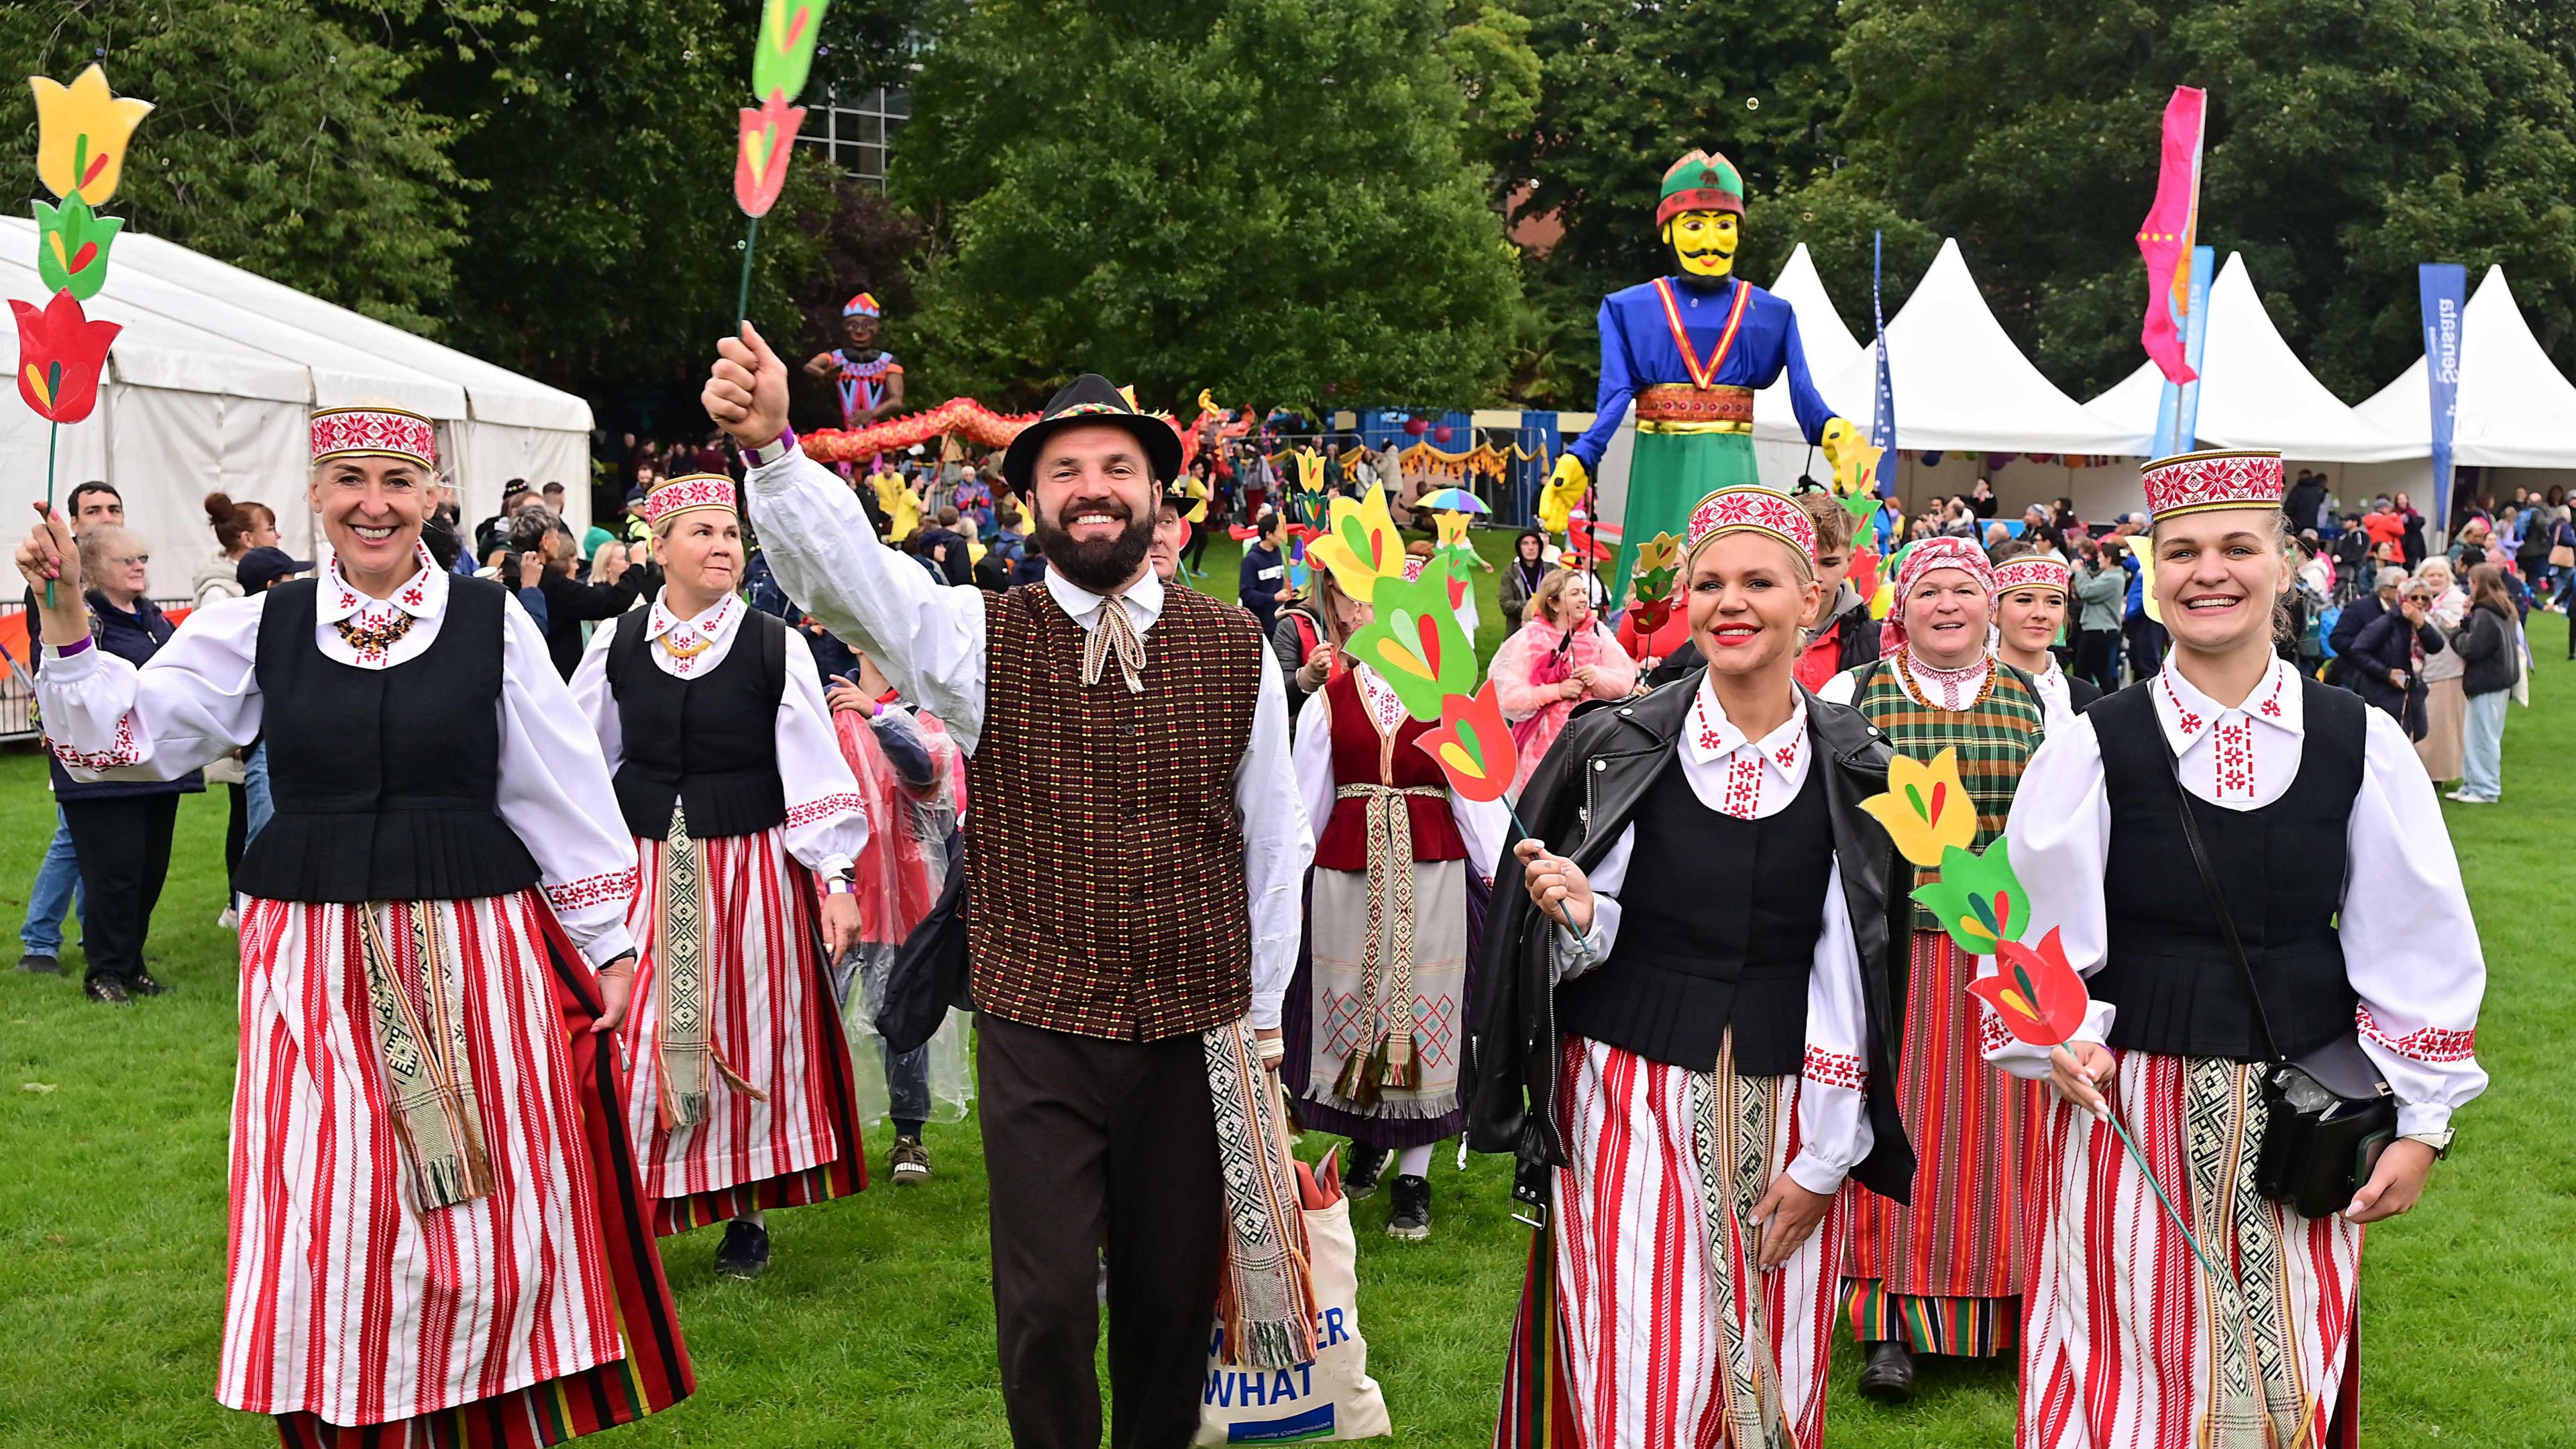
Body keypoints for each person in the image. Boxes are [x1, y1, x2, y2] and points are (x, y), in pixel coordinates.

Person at [18, 402, 694, 1440]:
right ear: (317, 495)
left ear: (431, 497)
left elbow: (556, 788)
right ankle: (351, 1401)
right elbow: (127, 737)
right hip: (314, 952)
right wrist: (65, 617)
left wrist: (608, 944)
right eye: (349, 481)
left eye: (396, 482)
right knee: (335, 1195)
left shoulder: (490, 621)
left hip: (477, 949)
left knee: (478, 1192)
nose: (373, 505)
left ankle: (481, 1404)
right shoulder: (262, 622)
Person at [702, 331, 1314, 1449]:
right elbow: (856, 581)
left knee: (1171, 1311)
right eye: (1066, 471)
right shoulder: (980, 635)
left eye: (1117, 470)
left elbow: (1275, 846)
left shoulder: (1239, 650)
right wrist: (776, 453)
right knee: (1040, 1312)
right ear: (1030, 497)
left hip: (1195, 1030)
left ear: (1157, 497)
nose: (1093, 491)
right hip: (1041, 1025)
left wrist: (1265, 1029)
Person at [1999, 448, 2484, 1449]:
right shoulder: (2095, 745)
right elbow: (2035, 942)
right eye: (2180, 551)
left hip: (2301, 1118)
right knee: (2116, 1379)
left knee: (2276, 1378)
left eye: (2235, 547)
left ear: (2283, 563)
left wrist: (2423, 1123)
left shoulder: (2358, 740)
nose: (2206, 571)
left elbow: (2415, 941)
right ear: (2150, 571)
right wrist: (2061, 1035)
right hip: (2130, 1113)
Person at [1473, 480, 1913, 1449]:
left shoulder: (1860, 765)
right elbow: (1556, 944)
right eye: (1711, 583)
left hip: (1792, 1104)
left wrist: (1826, 1159)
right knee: (1639, 1375)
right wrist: (1586, 915)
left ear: (1813, 600)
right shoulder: (1615, 742)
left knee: (1774, 1374)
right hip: (1627, 1109)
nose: (1732, 603)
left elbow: (1851, 973)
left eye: (1760, 581)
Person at [569, 472, 873, 1277]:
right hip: (642, 867)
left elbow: (812, 770)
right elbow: (578, 765)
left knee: (742, 1031)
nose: (721, 546)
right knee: (639, 1035)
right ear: (659, 549)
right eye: (701, 532)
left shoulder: (776, 645)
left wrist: (837, 880)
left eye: (731, 534)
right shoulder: (617, 646)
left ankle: (743, 1215)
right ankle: (631, 1208)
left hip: (749, 870)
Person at [1819, 534, 2045, 1399]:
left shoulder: (2036, 702)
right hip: (1892, 952)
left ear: (1991, 605)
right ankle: (1888, 1325)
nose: (1946, 606)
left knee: (2006, 1137)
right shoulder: (1857, 694)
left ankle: (2009, 1313)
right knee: (1897, 1122)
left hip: (2000, 953)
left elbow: (2061, 833)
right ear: (1899, 607)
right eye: (1928, 593)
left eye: (1963, 591)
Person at [1283, 558, 1506, 1240]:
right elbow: (1305, 800)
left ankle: (1415, 1176)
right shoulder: (1330, 700)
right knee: (1351, 1009)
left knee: (1425, 1015)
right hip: (1349, 874)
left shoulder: (1450, 698)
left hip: (1431, 871)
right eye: (1375, 603)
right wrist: (1286, 881)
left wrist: (1507, 876)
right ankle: (1364, 1139)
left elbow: (1477, 794)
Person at [1542, 149, 1858, 601]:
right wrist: (1580, 457)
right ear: (1668, 229)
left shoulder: (1771, 314)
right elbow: (1613, 398)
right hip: (1660, 465)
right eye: (1694, 224)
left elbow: (1805, 397)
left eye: (1723, 224)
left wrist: (1833, 430)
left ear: (1739, 232)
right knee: (1651, 589)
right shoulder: (1629, 309)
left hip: (1730, 464)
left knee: (1732, 577)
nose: (1710, 240)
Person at [37, 525, 203, 1004]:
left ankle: (131, 965)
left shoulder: (154, 620)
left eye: (143, 557)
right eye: (126, 559)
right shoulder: (84, 621)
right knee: (115, 875)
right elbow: (71, 686)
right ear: (90, 569)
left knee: (149, 873)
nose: (139, 566)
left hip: (157, 770)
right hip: (105, 776)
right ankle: (103, 973)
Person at [825, 647, 965, 1183]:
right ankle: (818, 1132)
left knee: (901, 1021)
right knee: (821, 1016)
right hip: (833, 894)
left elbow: (926, 772)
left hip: (907, 899)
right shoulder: (825, 717)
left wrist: (878, 715)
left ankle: (910, 1137)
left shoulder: (923, 717)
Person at [14, 482, 124, 975]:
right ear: (73, 523)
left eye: (114, 508)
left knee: (99, 836)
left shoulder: (118, 570)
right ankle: (39, 942)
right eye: (93, 509)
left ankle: (93, 933)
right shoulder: (56, 573)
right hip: (69, 720)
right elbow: (51, 658)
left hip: (114, 718)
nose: (106, 516)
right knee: (72, 834)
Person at [193, 492, 284, 918]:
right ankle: (241, 906)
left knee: (251, 812)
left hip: (256, 724)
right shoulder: (220, 593)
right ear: (248, 538)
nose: (278, 534)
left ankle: (241, 904)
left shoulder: (246, 582)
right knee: (248, 816)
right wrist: (229, 725)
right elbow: (221, 663)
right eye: (270, 528)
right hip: (239, 726)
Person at [1490, 568, 1639, 791]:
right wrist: (1557, 691)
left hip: (1593, 744)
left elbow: (1625, 683)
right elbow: (1508, 698)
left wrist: (1597, 676)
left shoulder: (1598, 632)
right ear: (1554, 603)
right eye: (1575, 593)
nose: (1583, 599)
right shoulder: (1531, 638)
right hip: (1542, 752)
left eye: (1584, 592)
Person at [525, 503, 654, 677]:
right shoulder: (554, 585)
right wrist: (638, 565)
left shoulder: (512, 575)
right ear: (546, 542)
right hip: (556, 676)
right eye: (556, 536)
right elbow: (612, 602)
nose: (559, 541)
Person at [1992, 551, 2098, 723]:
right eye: (2025, 600)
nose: (2041, 614)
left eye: (2054, 602)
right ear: (1995, 611)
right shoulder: (1973, 694)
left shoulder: (2087, 698)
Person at [2447, 564, 2520, 804]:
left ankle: (2486, 788)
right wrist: (2468, 620)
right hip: (2499, 680)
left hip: (2488, 680)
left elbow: (2473, 648)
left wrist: (2455, 633)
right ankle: (2472, 784)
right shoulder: (2500, 607)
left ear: (2478, 584)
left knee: (2483, 737)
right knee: (2478, 735)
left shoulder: (2486, 613)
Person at [2347, 576, 2443, 735]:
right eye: (2414, 597)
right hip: (2383, 694)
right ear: (2403, 598)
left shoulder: (2419, 623)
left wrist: (2422, 625)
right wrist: (2386, 673)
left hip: (2411, 694)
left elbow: (2436, 646)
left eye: (2424, 598)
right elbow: (2358, 650)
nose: (2419, 602)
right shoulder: (2387, 622)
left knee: (2418, 733)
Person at [802, 292, 906, 432]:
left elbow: (897, 400)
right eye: (853, 325)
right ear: (845, 328)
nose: (859, 331)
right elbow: (810, 366)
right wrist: (824, 374)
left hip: (873, 435)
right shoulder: (837, 357)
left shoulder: (888, 362)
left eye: (867, 325)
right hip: (843, 432)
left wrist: (871, 414)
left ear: (876, 328)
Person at [2072, 538, 2126, 694]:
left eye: (2101, 556)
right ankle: (2103, 700)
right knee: (2097, 671)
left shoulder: (2114, 578)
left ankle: (2099, 699)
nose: (2098, 559)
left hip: (2100, 630)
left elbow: (2088, 592)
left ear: (2109, 559)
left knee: (2085, 670)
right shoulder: (2108, 575)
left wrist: (2080, 572)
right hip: (2097, 629)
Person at [1238, 506, 1289, 635]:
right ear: (1269, 535)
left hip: (1278, 623)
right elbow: (1246, 594)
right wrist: (1273, 598)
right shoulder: (1252, 560)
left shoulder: (1280, 554)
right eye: (1280, 531)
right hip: (1259, 627)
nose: (1284, 536)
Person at [1497, 528, 1546, 632]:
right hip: (1519, 629)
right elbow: (1506, 604)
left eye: (1534, 543)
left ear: (1540, 547)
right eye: (1525, 544)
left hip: (1548, 627)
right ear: (1519, 548)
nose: (1531, 548)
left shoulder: (1552, 570)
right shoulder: (1510, 573)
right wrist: (1528, 605)